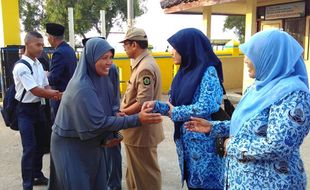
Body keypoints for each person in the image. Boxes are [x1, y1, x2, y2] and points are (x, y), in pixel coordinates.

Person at [185, 29, 310, 189]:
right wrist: (213, 127)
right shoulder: (256, 88)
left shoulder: (293, 95)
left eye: (252, 54)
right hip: (243, 180)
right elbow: (249, 126)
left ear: (270, 56)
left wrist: (231, 145)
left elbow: (279, 145)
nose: (245, 60)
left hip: (271, 183)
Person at [48, 38, 162, 190]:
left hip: (91, 142)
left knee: (98, 183)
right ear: (91, 58)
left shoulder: (102, 78)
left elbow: (108, 108)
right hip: (72, 145)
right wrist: (137, 119)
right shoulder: (82, 87)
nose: (109, 62)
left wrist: (114, 123)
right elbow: (98, 122)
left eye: (110, 57)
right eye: (104, 58)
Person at [143, 28, 225, 189]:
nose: (171, 52)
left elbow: (207, 105)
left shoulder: (208, 72)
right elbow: (175, 105)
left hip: (205, 148)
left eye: (175, 47)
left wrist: (176, 112)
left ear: (189, 48)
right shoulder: (183, 73)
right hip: (186, 147)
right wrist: (157, 106)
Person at [13, 31, 61, 190]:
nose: (41, 48)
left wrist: (53, 93)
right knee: (29, 148)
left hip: (39, 109)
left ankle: (37, 175)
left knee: (41, 145)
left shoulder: (38, 64)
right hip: (25, 111)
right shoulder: (21, 67)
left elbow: (45, 85)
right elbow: (36, 90)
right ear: (27, 44)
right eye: (38, 45)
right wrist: (58, 94)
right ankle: (27, 184)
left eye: (42, 44)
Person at [119, 27, 164, 190]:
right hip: (137, 131)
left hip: (141, 132)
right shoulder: (143, 63)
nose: (124, 48)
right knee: (134, 175)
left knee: (146, 178)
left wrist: (123, 113)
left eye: (125, 44)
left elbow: (143, 102)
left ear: (134, 45)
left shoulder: (145, 67)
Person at [83, 37, 123, 190]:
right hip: (96, 119)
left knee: (112, 154)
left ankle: (114, 185)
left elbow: (113, 94)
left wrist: (114, 116)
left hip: (109, 117)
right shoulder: (85, 72)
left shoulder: (110, 68)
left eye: (109, 57)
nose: (108, 61)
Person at [45, 22, 77, 121]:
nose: (47, 39)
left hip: (60, 96)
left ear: (52, 38)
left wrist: (46, 74)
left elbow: (54, 78)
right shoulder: (69, 50)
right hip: (70, 94)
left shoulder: (58, 53)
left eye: (48, 37)